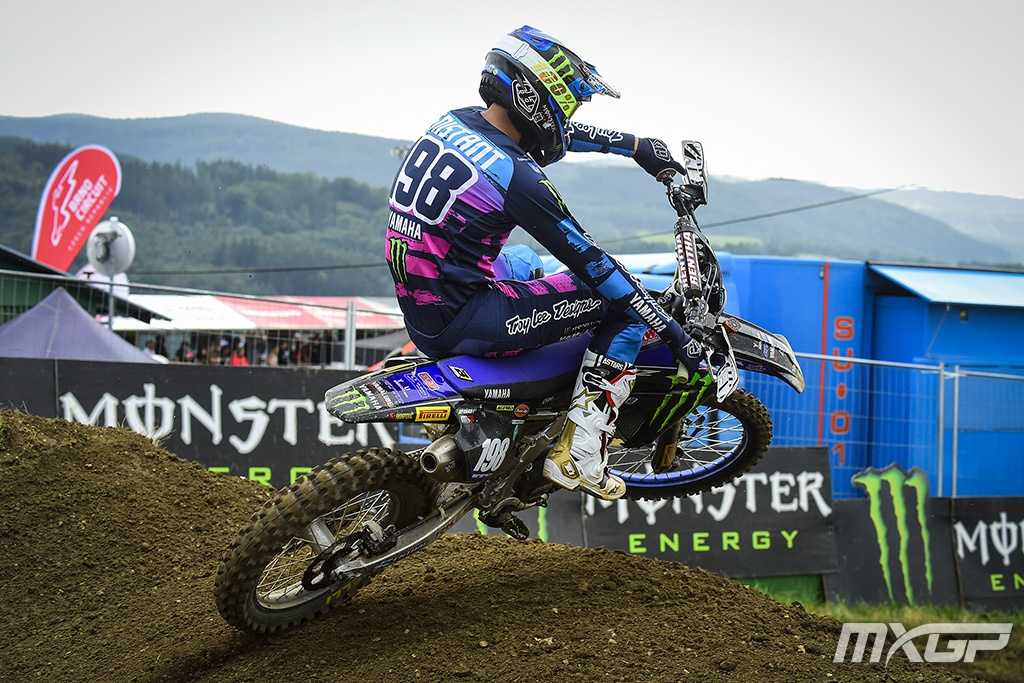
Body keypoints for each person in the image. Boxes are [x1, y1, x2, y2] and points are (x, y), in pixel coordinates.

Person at [385, 25, 703, 501]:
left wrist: (635, 145)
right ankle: (580, 450)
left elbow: (553, 138)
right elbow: (594, 264)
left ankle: (513, 408)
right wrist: (677, 336)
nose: (566, 117)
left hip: (424, 295)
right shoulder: (518, 178)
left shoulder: (455, 122)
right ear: (536, 98)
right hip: (461, 317)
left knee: (525, 260)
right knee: (625, 304)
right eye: (565, 105)